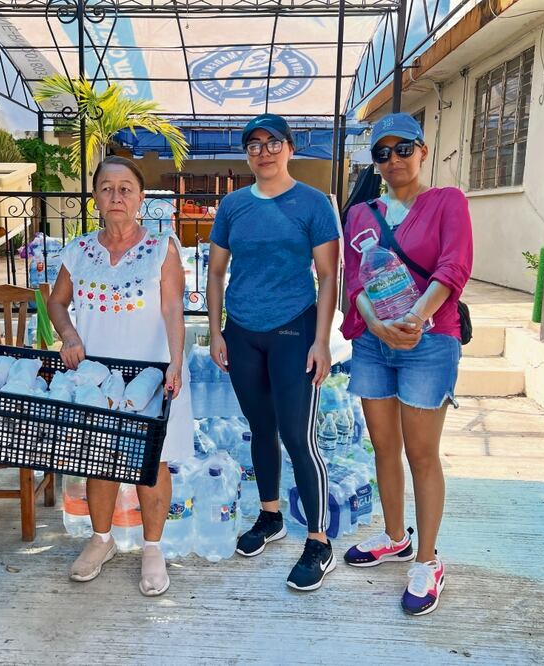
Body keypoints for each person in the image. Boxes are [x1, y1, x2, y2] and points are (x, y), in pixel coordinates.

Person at [339, 112, 473, 616]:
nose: (393, 160)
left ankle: (428, 559)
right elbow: (354, 282)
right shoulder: (361, 214)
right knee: (383, 446)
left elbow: (453, 266)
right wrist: (374, 324)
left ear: (422, 149)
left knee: (421, 452)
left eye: (402, 149)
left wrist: (415, 317)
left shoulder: (447, 203)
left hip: (430, 340)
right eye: (382, 153)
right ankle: (395, 536)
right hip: (374, 342)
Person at [206, 114, 341, 591]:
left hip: (294, 328)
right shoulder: (234, 205)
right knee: (259, 428)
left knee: (298, 436)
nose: (263, 151)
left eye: (272, 142)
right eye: (254, 144)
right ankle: (270, 516)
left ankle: (319, 542)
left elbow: (328, 275)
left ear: (290, 148)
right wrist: (215, 330)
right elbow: (217, 271)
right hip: (242, 331)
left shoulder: (312, 203)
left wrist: (322, 340)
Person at [48, 155, 193, 596]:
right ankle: (101, 539)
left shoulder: (161, 247)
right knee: (100, 457)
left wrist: (175, 359)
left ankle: (152, 547)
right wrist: (69, 336)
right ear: (95, 197)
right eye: (107, 188)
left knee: (154, 461)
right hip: (97, 376)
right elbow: (56, 303)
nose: (116, 196)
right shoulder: (78, 250)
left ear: (140, 198)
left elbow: (171, 307)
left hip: (151, 371)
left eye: (126, 188)